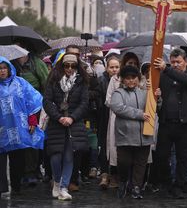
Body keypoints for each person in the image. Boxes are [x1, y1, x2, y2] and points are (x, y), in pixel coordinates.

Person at [152, 48, 187, 198]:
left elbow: (185, 80)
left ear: (186, 62)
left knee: (183, 157)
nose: (175, 65)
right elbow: (157, 91)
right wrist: (157, 93)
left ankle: (179, 185)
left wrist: (166, 68)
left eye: (178, 62)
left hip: (185, 124)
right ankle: (167, 182)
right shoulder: (165, 75)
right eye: (172, 62)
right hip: (167, 123)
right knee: (161, 155)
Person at [43, 53, 89, 201]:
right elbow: (47, 101)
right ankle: (56, 181)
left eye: (73, 66)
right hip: (57, 122)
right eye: (66, 65)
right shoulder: (53, 79)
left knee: (70, 156)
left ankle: (64, 186)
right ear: (62, 66)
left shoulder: (82, 81)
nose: (69, 68)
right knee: (55, 156)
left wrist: (72, 117)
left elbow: (84, 103)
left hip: (74, 123)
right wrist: (59, 117)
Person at [110, 65, 160, 199]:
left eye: (134, 78)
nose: (131, 81)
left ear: (138, 79)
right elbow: (117, 107)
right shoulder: (118, 93)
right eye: (128, 78)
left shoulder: (145, 92)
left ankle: (136, 187)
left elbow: (155, 108)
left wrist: (157, 97)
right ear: (123, 80)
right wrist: (139, 114)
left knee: (140, 163)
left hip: (144, 135)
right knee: (124, 162)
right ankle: (123, 181)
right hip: (125, 136)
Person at [0, 56, 44, 196]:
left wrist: (32, 119)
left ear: (9, 68)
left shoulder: (20, 83)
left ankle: (16, 186)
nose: (2, 71)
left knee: (17, 158)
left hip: (19, 127)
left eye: (4, 68)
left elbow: (32, 100)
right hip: (2, 128)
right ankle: (2, 188)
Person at [105, 52, 141, 188]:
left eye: (134, 64)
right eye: (129, 63)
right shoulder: (115, 79)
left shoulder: (140, 79)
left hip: (136, 119)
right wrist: (121, 103)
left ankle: (134, 181)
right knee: (118, 151)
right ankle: (116, 177)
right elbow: (108, 100)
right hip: (118, 117)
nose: (131, 66)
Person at [98, 56, 120, 189]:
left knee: (115, 146)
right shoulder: (102, 80)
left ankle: (114, 175)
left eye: (117, 67)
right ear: (107, 68)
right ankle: (105, 174)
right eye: (112, 67)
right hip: (103, 116)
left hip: (115, 117)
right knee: (104, 146)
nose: (114, 69)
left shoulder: (120, 80)